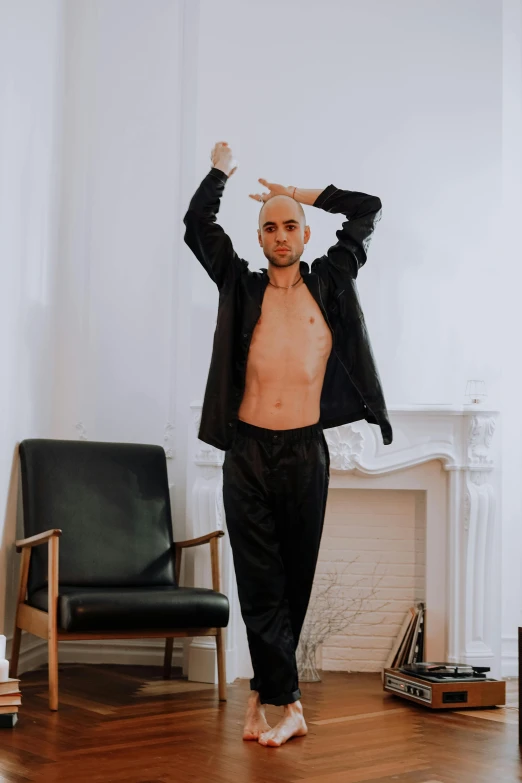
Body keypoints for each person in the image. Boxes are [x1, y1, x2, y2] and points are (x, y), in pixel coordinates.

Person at [183, 141, 393, 747]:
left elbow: (368, 207)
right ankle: (291, 705)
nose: (280, 235)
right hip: (246, 452)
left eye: (290, 226)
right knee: (258, 582)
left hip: (305, 454)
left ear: (304, 235)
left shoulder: (330, 283)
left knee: (292, 583)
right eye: (269, 227)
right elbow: (198, 226)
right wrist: (219, 173)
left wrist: (300, 193)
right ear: (258, 238)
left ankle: (260, 697)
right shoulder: (239, 286)